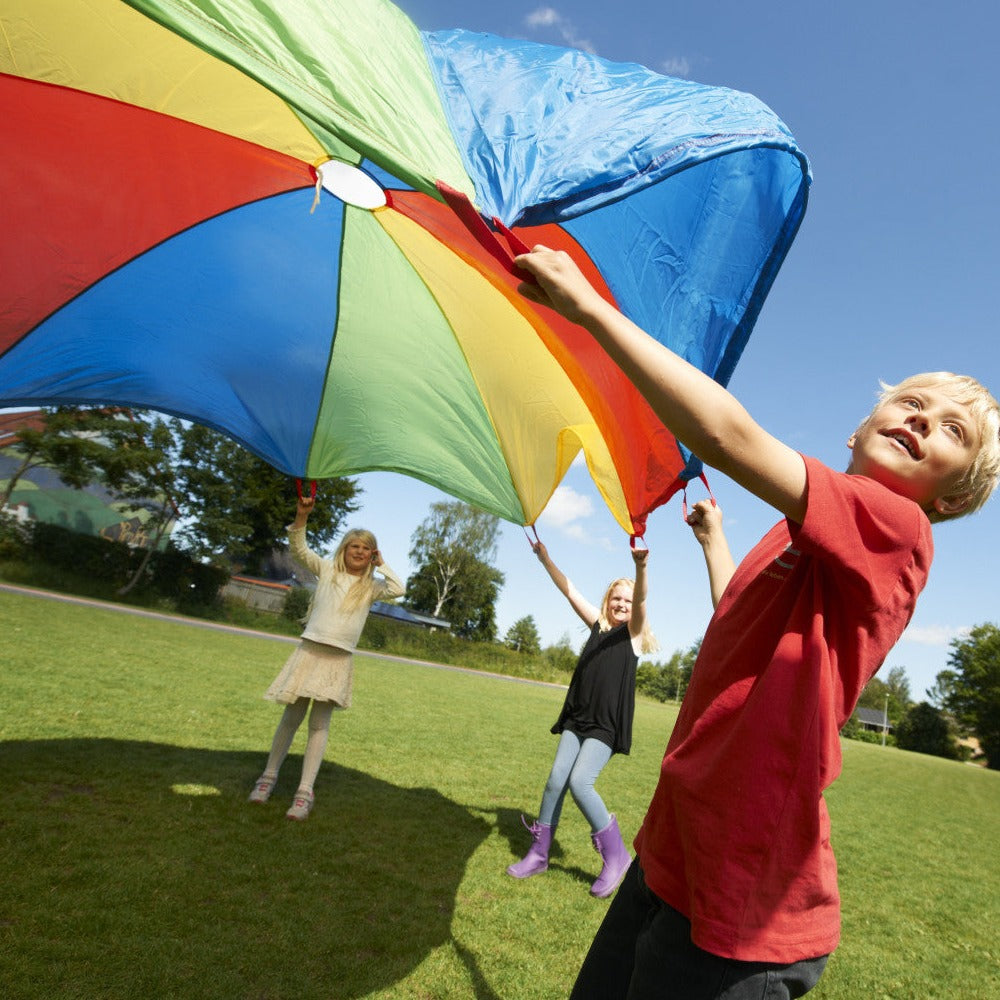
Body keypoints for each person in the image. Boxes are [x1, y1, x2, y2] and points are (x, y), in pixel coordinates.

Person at [515, 244, 1000, 999]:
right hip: (678, 851)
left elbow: (727, 437)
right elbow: (739, 625)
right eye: (911, 402)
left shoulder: (899, 526)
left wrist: (591, 312)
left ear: (948, 497)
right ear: (857, 426)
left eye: (951, 433)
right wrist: (715, 545)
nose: (922, 421)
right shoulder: (803, 532)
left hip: (745, 904)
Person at [506, 539, 658, 898]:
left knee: (580, 782)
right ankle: (539, 854)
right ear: (607, 601)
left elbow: (641, 601)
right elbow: (569, 589)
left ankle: (616, 856)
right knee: (555, 780)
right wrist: (545, 558)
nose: (621, 603)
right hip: (578, 717)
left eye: (626, 599)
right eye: (615, 598)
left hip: (605, 725)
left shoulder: (633, 634)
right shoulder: (597, 625)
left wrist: (640, 568)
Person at [248, 495, 404, 821]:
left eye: (366, 549)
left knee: (319, 726)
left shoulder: (372, 587)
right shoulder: (328, 571)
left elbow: (398, 588)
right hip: (310, 651)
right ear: (344, 549)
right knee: (291, 718)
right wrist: (301, 517)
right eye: (354, 547)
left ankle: (304, 792)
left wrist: (382, 564)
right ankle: (268, 777)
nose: (359, 553)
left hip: (337, 660)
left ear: (372, 554)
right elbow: (300, 550)